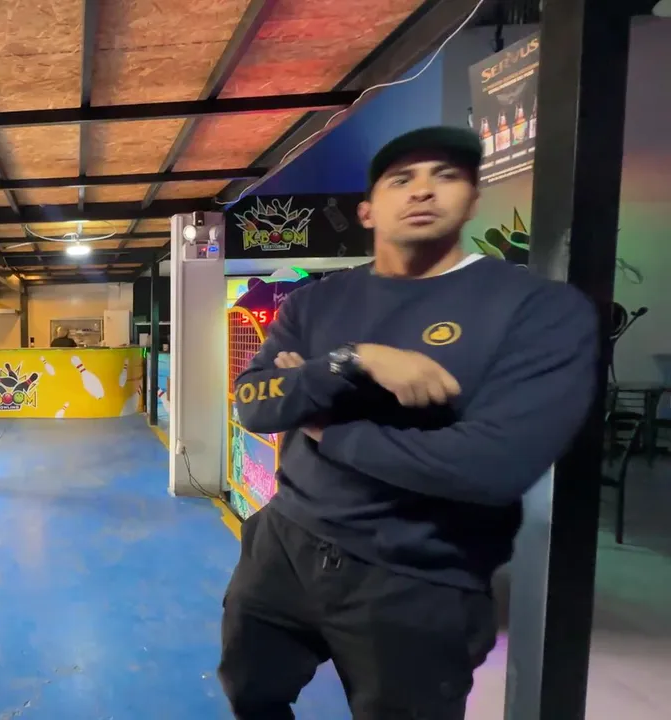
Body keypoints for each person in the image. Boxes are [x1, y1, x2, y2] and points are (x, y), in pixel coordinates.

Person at [219, 127, 599, 719]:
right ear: (367, 211)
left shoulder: (536, 310)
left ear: (473, 200)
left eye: (445, 176)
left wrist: (324, 424)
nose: (422, 190)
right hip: (283, 548)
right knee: (250, 692)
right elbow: (254, 403)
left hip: (417, 573)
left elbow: (490, 467)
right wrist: (352, 361)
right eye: (402, 179)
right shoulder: (314, 304)